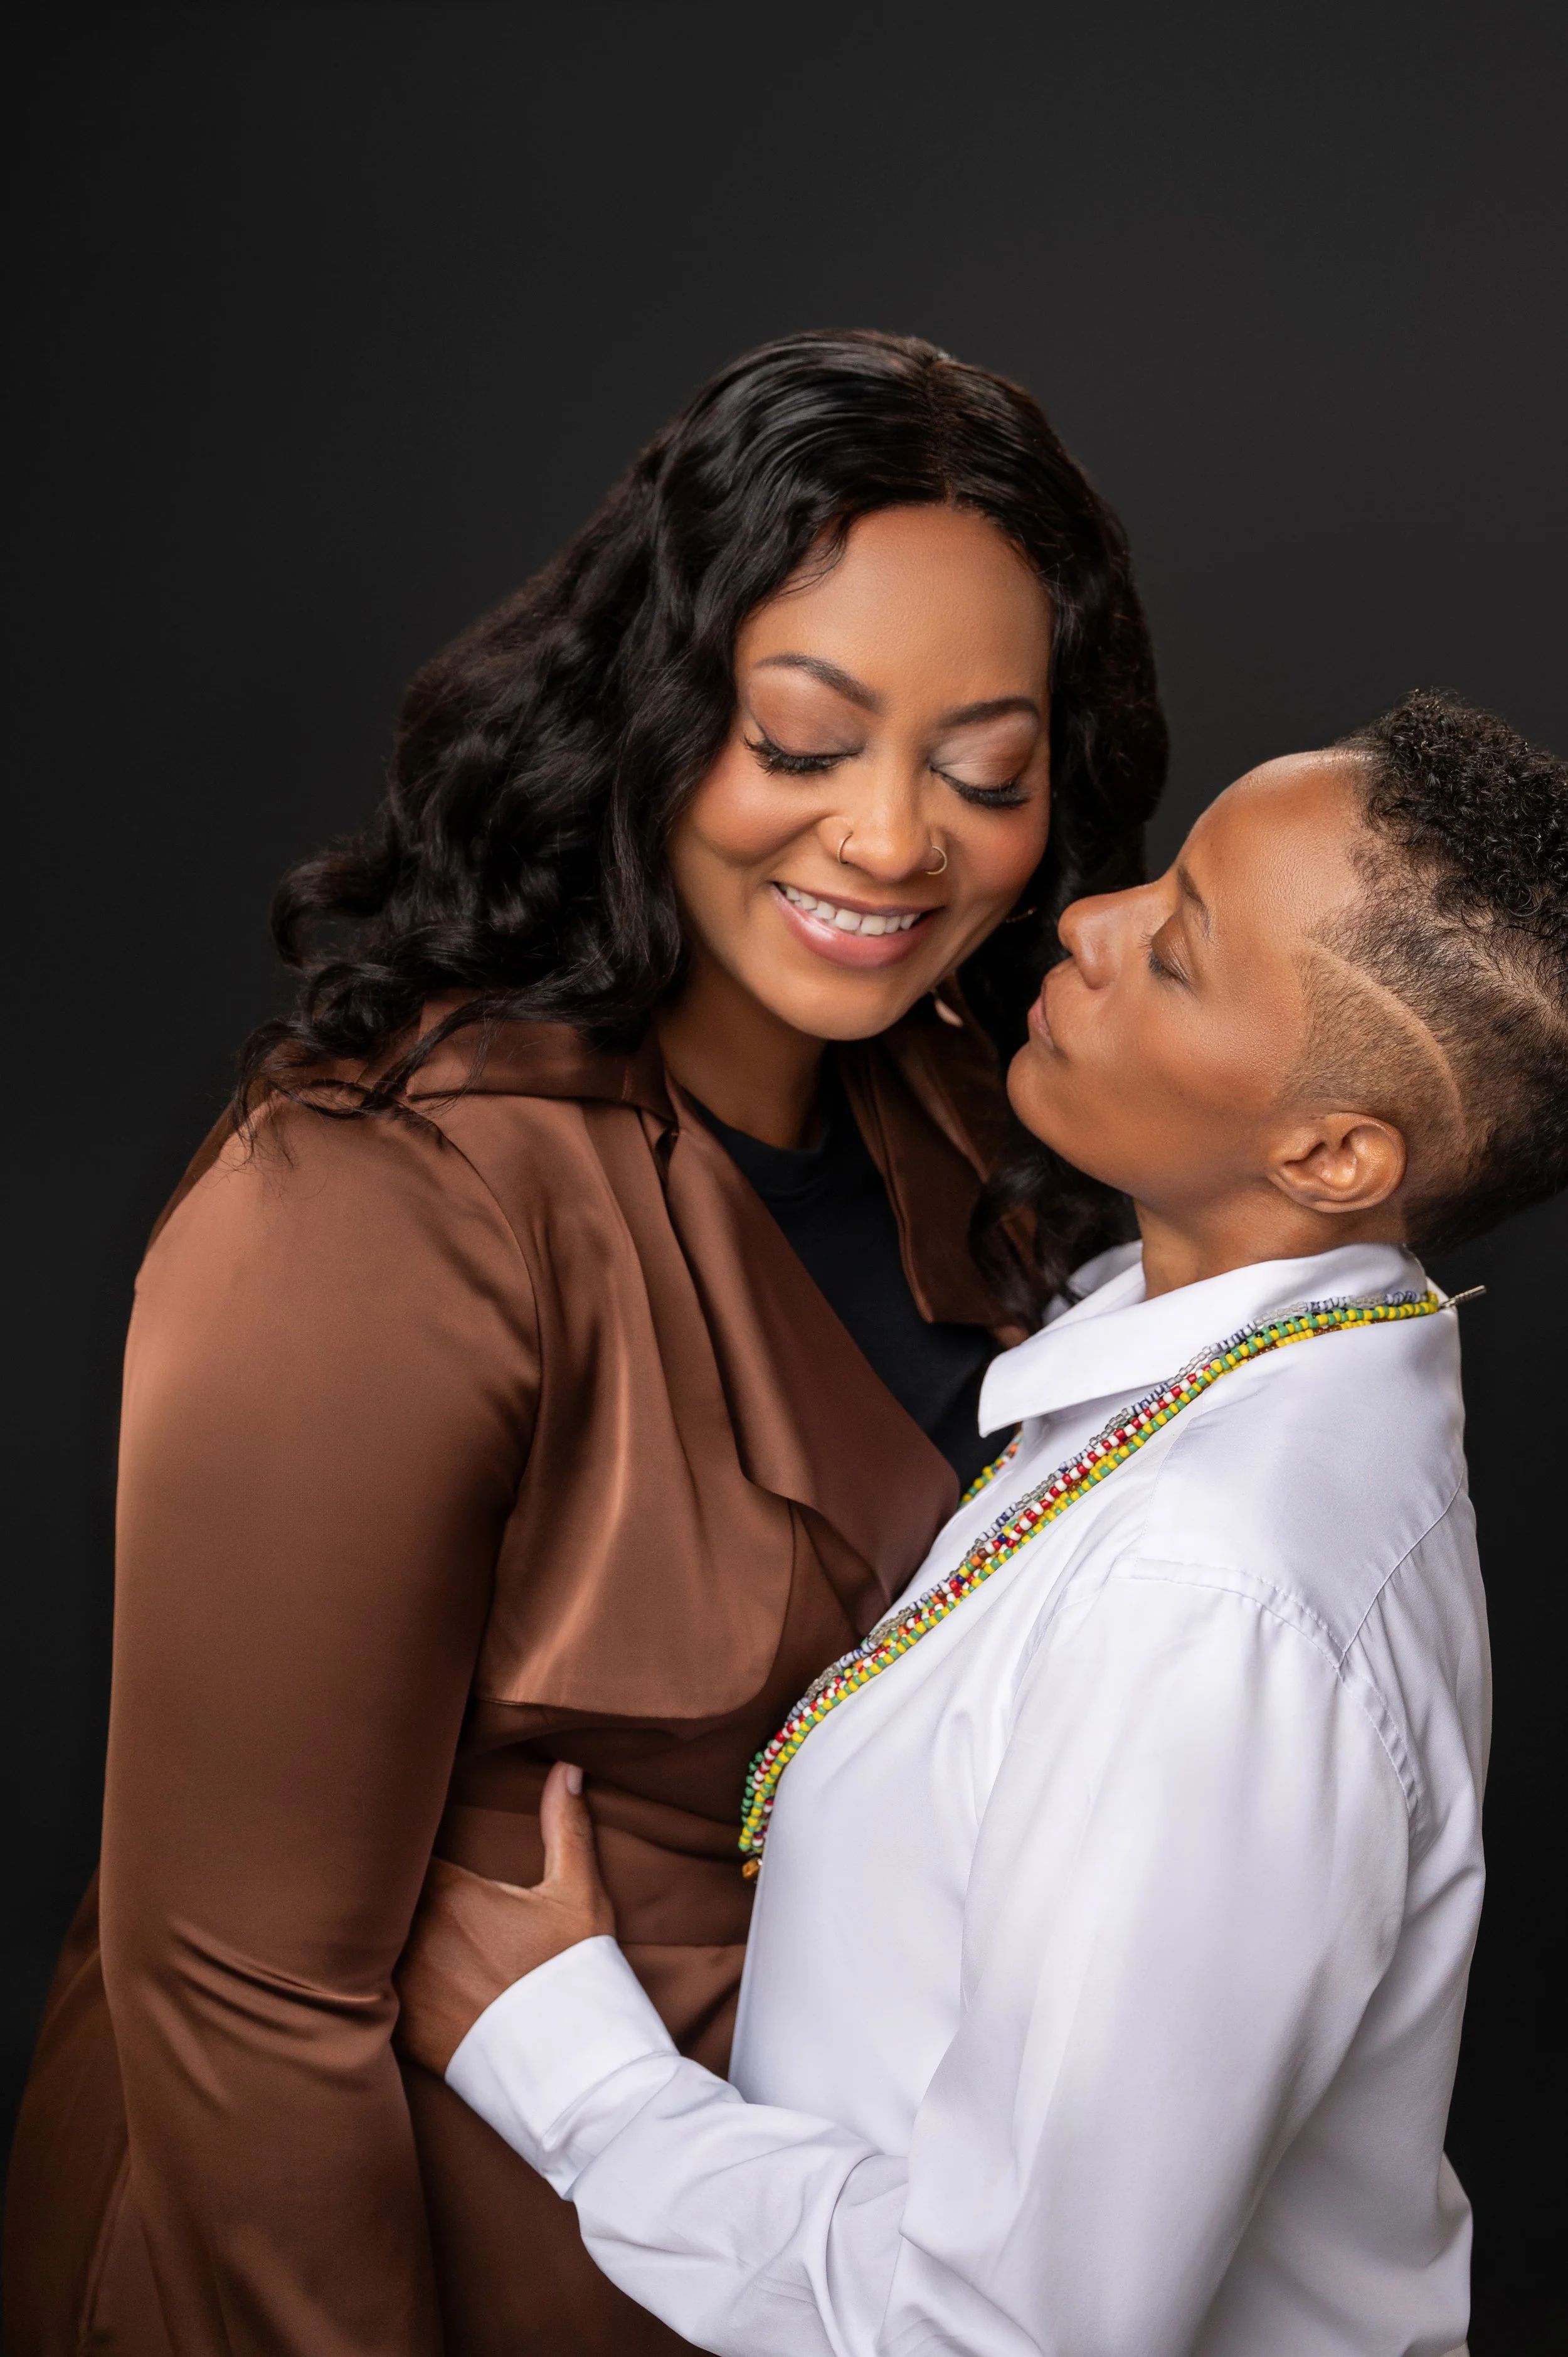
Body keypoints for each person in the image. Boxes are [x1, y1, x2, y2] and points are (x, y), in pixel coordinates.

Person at [2, 333, 1166, 2357]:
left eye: (984, 770)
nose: (894, 842)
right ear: (647, 713)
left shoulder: (971, 1119)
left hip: (779, 2256)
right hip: (376, 2277)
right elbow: (243, 2001)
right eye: (800, 743)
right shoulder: (375, 1207)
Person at [393, 690, 1568, 2357]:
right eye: (1151, 883)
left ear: (1328, 1150)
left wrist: (564, 2064)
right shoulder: (1167, 1360)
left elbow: (1004, 2333)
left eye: (1174, 950)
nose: (1083, 920)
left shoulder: (1211, 1604)